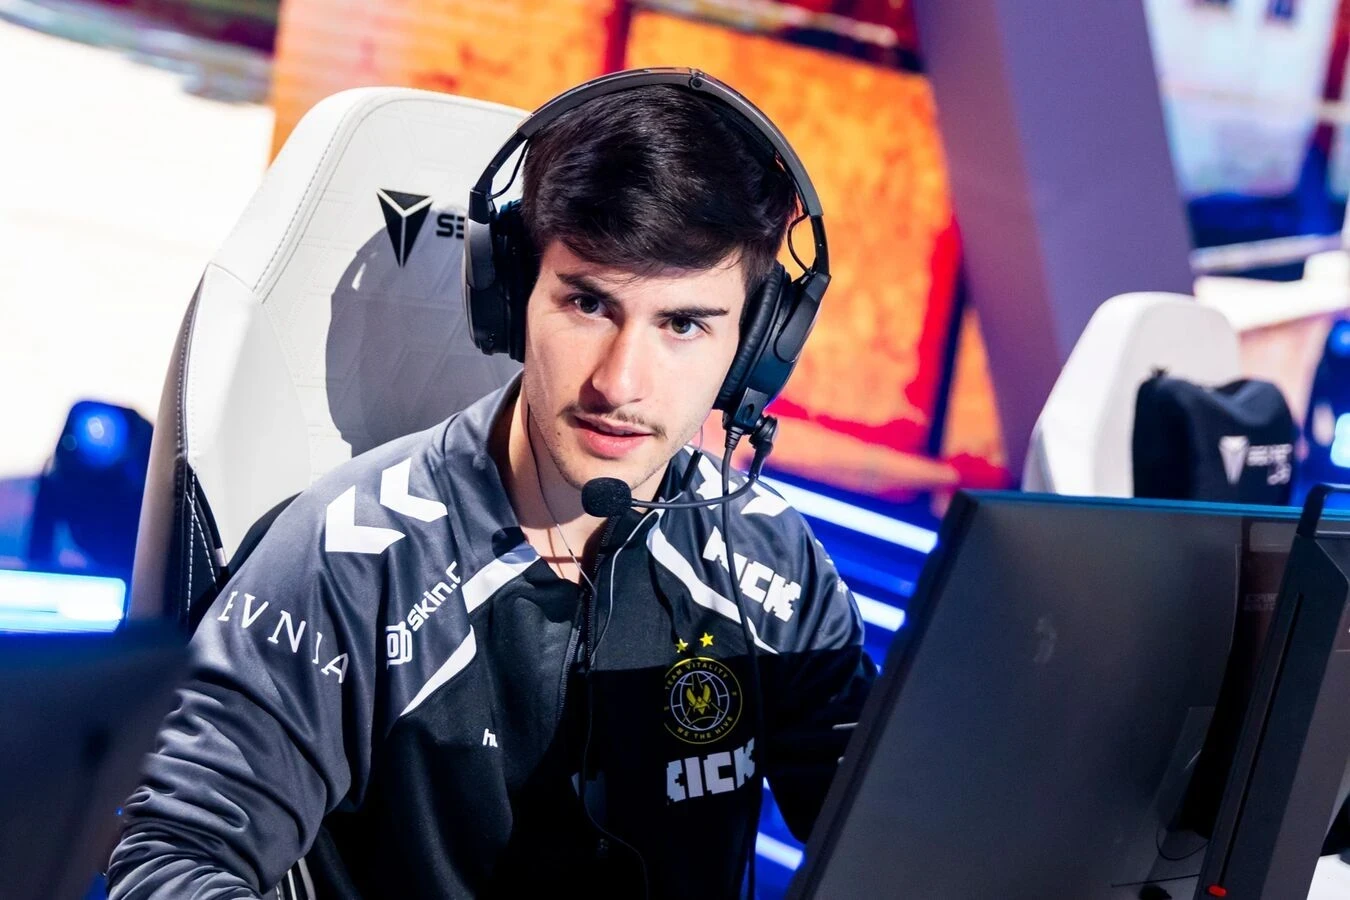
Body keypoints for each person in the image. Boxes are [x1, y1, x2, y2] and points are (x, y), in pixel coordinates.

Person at [107, 69, 876, 899]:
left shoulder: (773, 563)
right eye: (588, 305)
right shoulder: (352, 560)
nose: (620, 383)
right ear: (511, 298)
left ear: (757, 348)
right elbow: (170, 861)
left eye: (683, 324)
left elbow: (898, 833)